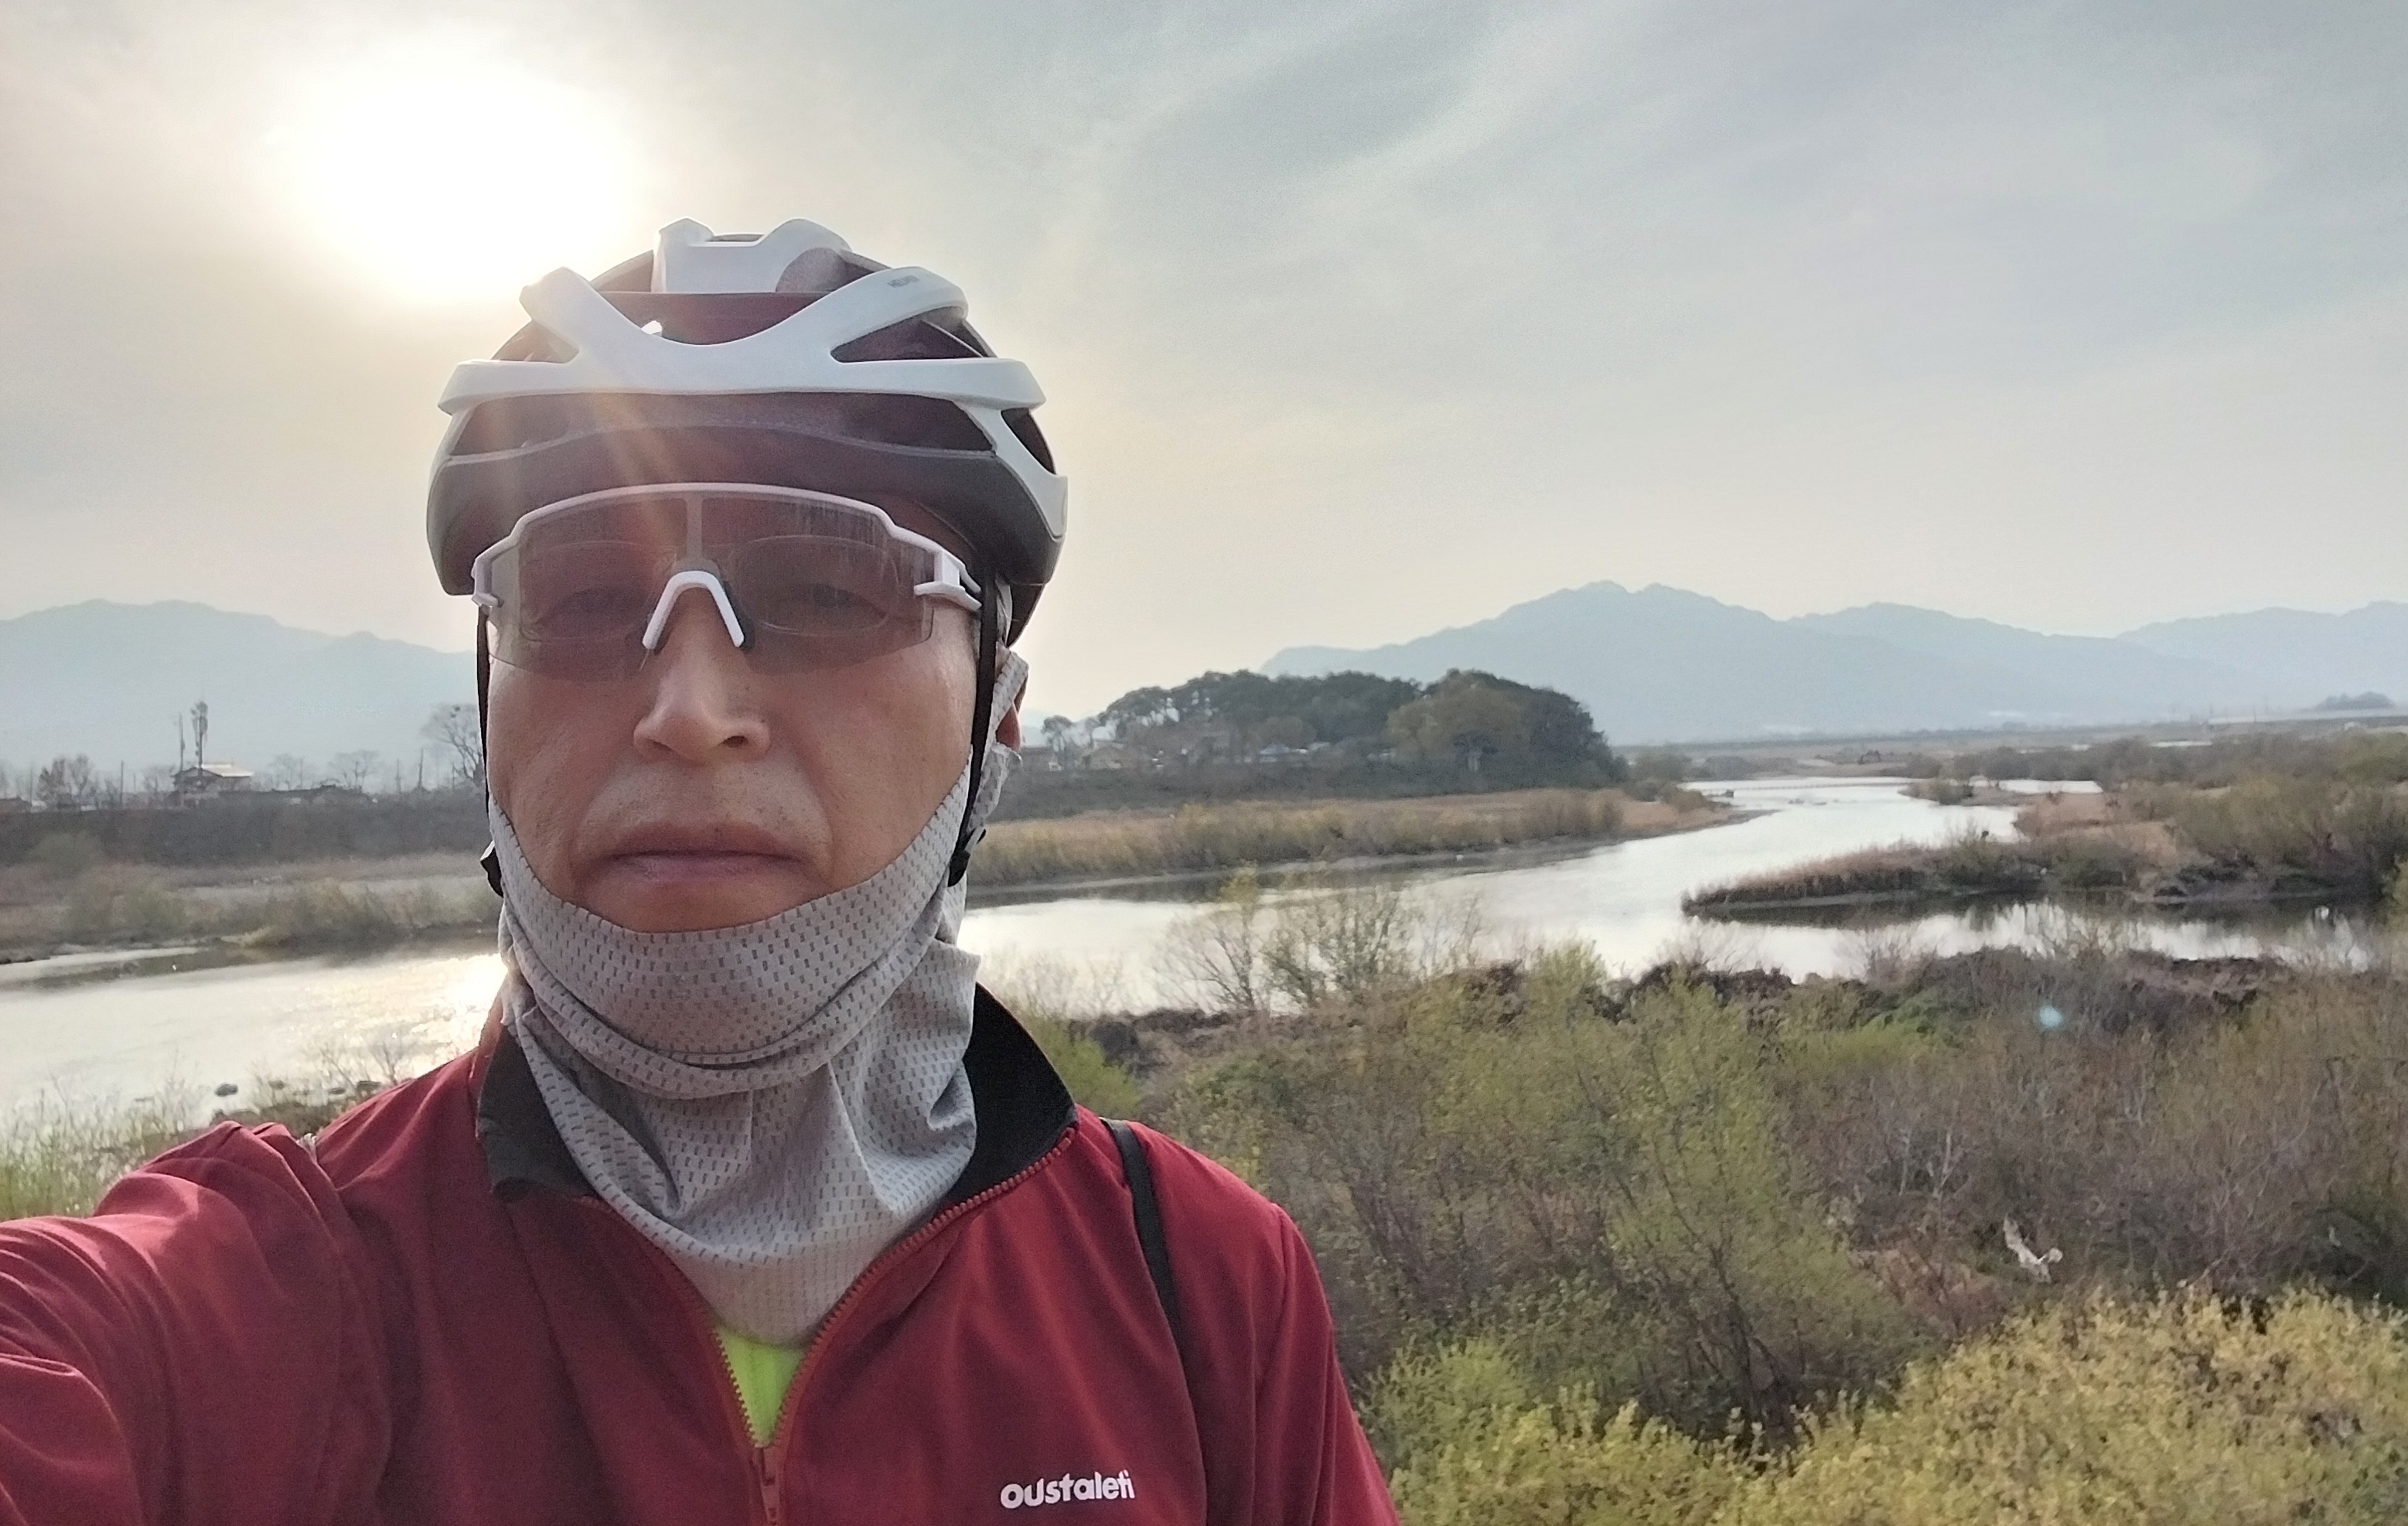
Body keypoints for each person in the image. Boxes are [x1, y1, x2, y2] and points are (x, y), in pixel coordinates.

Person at [0, 220, 1398, 1524]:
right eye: (582, 598)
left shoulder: (1200, 1282)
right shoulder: (267, 1303)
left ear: (997, 717)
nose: (688, 712)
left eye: (830, 590)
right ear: (488, 707)